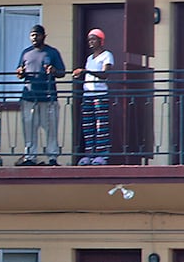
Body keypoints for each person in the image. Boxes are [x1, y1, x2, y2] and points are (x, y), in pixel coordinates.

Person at [15, 24, 65, 165]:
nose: (34, 38)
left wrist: (54, 70)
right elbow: (19, 72)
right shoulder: (25, 53)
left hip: (48, 97)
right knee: (29, 129)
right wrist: (20, 73)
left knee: (51, 129)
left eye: (37, 35)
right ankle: (30, 157)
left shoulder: (52, 52)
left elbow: (62, 72)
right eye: (32, 35)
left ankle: (52, 157)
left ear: (44, 36)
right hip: (29, 98)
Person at [72, 28, 114, 164]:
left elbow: (105, 74)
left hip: (100, 94)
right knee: (88, 125)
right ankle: (90, 154)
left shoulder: (107, 55)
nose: (90, 42)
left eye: (93, 39)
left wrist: (86, 71)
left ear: (101, 41)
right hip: (87, 94)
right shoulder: (89, 58)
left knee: (101, 125)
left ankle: (102, 156)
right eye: (89, 39)